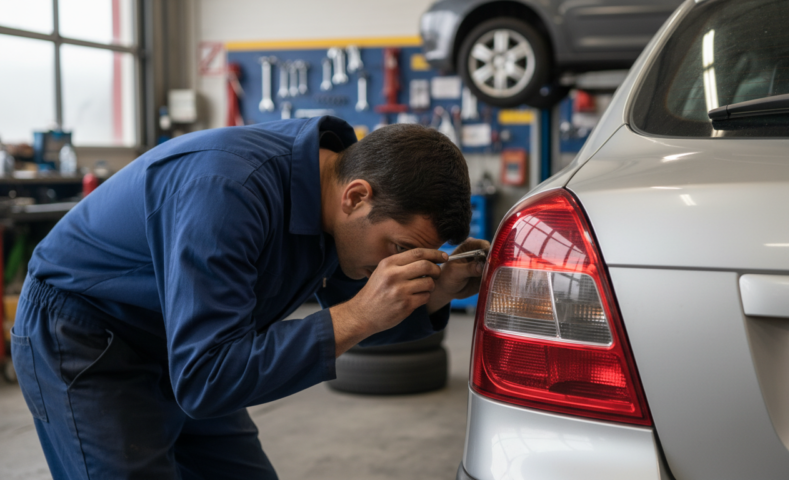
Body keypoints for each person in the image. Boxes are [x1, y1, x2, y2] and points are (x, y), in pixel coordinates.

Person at [11, 116, 488, 479]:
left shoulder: (333, 199)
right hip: (84, 332)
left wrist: (433, 293)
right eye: (400, 249)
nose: (395, 264)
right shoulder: (227, 190)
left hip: (184, 337)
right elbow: (206, 379)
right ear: (356, 197)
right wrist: (358, 316)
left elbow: (364, 320)